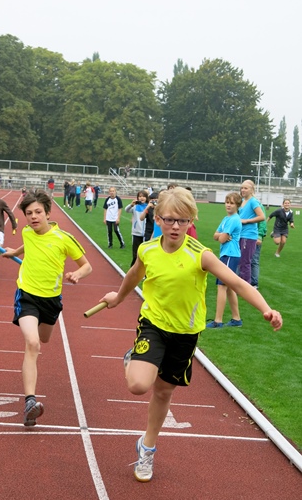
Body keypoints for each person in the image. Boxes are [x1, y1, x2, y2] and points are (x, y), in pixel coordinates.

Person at [99, 187, 282, 482]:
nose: (175, 226)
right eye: (170, 219)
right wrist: (118, 297)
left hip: (185, 333)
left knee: (163, 392)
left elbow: (238, 282)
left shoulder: (201, 255)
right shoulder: (148, 250)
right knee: (138, 385)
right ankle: (133, 357)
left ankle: (147, 447)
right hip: (154, 324)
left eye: (183, 220)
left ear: (191, 221)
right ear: (158, 218)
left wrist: (266, 309)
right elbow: (134, 274)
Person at [1, 190, 92, 427]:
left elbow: (87, 266)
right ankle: (29, 402)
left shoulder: (64, 239)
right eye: (29, 213)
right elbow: (28, 243)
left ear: (48, 213)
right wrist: (14, 252)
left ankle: (30, 400)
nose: (33, 217)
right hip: (27, 295)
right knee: (33, 344)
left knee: (44, 338)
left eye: (38, 212)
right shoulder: (27, 231)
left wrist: (77, 274)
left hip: (51, 300)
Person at [206, 192, 243, 328]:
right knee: (229, 288)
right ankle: (236, 318)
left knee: (221, 286)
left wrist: (221, 236)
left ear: (237, 205)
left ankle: (218, 321)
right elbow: (215, 235)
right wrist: (222, 235)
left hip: (230, 254)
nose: (228, 205)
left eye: (232, 203)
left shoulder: (233, 219)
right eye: (227, 202)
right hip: (227, 254)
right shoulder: (226, 218)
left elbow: (220, 239)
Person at [238, 180, 265, 282]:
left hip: (248, 235)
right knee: (240, 261)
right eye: (242, 188)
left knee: (245, 262)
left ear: (252, 190)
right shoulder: (241, 201)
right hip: (241, 234)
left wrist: (247, 221)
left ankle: (246, 285)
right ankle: (240, 283)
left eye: (246, 188)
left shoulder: (253, 201)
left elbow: (262, 216)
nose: (243, 190)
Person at [125, 190, 149, 266]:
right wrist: (131, 205)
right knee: (135, 253)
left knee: (145, 253)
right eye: (140, 196)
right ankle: (133, 268)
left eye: (143, 196)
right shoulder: (135, 207)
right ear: (137, 197)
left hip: (146, 234)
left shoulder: (148, 207)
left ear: (146, 197)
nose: (142, 198)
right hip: (136, 233)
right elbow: (126, 210)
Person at [251, 203, 267, 288]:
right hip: (242, 236)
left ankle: (254, 283)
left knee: (254, 260)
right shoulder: (240, 203)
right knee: (241, 260)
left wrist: (260, 235)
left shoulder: (257, 204)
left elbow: (262, 221)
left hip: (254, 236)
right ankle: (240, 281)